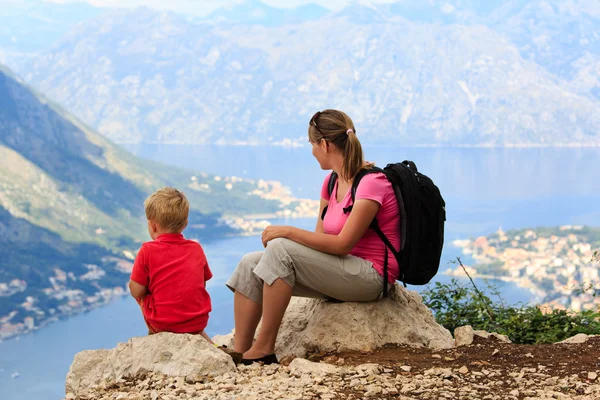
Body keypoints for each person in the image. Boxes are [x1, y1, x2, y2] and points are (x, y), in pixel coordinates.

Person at [226, 109, 401, 365]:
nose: (311, 151)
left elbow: (343, 245)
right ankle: (240, 351)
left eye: (312, 144)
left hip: (370, 277)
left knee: (280, 248)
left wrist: (286, 232)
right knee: (251, 263)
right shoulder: (331, 182)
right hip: (340, 273)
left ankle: (264, 348)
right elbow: (319, 242)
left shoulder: (371, 183)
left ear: (325, 144)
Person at [128, 187, 214, 343]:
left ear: (152, 225)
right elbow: (201, 283)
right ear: (185, 224)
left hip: (163, 324)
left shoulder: (147, 250)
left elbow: (136, 291)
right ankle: (214, 346)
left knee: (143, 294)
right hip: (197, 321)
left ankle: (155, 338)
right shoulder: (196, 248)